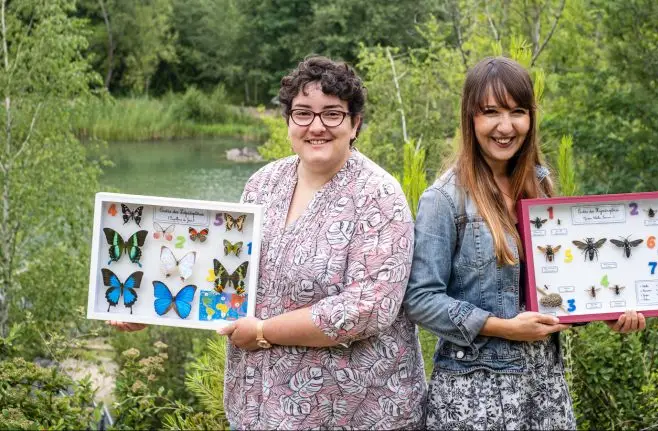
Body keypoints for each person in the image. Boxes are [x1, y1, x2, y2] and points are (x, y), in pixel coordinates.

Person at [112, 56, 427, 430]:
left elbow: (367, 309)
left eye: (332, 114)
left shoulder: (379, 196)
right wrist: (147, 306)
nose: (317, 126)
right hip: (262, 407)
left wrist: (263, 332)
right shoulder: (263, 183)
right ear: (288, 121)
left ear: (355, 123)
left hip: (351, 412)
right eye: (303, 113)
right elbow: (222, 273)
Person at [402, 56, 645, 430]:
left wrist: (607, 311)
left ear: (531, 118)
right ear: (470, 118)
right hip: (474, 396)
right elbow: (421, 299)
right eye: (491, 112)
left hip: (544, 387)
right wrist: (503, 326)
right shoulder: (444, 199)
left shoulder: (539, 185)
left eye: (517, 111)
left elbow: (556, 290)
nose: (505, 126)